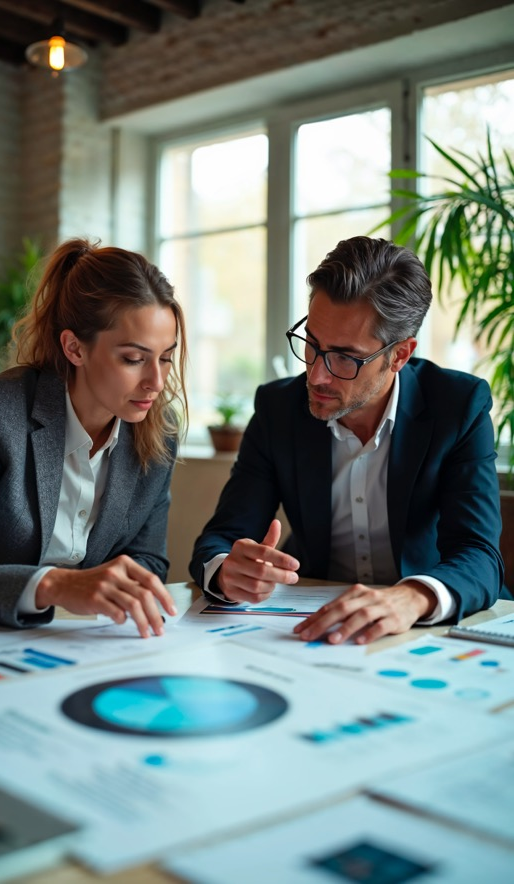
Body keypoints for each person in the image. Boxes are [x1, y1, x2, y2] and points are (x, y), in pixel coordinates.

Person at [190, 236, 510, 645]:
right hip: (312, 630)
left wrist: (410, 598)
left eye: (344, 357)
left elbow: (479, 555)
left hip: (429, 633)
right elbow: (220, 539)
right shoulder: (277, 408)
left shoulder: (458, 406)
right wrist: (226, 570)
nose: (316, 375)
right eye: (312, 344)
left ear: (400, 355)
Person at [0, 238, 188, 637]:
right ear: (75, 348)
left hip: (91, 643)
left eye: (164, 357)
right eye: (133, 359)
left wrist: (115, 591)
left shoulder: (160, 432)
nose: (156, 382)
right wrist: (56, 586)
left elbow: (148, 560)